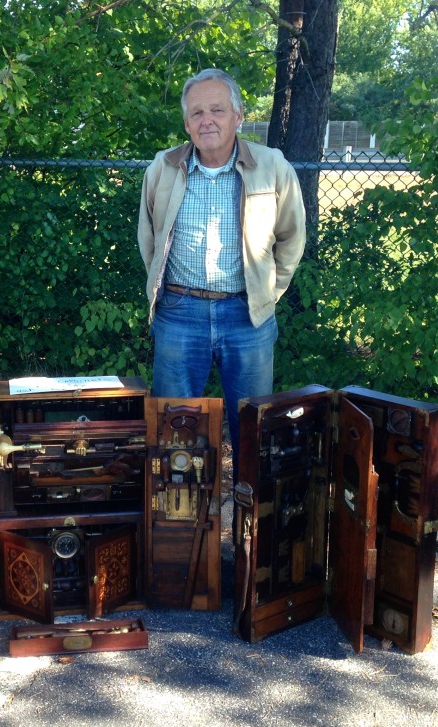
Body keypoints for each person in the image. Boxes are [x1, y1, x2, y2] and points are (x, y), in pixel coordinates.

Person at [138, 68, 306, 483]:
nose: (206, 120)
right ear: (186, 123)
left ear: (238, 116)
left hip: (247, 318)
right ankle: (182, 537)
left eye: (217, 109)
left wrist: (266, 294)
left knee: (254, 434)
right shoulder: (163, 167)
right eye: (197, 113)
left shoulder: (272, 166)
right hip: (178, 315)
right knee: (174, 434)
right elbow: (149, 239)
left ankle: (251, 540)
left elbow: (291, 238)